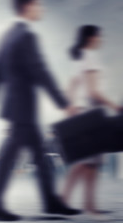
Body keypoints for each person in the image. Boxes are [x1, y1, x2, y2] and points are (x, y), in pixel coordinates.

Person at [0, 0, 81, 221]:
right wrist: (64, 103)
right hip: (23, 109)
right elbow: (40, 71)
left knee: (39, 156)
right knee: (9, 158)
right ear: (28, 7)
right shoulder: (26, 37)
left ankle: (50, 201)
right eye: (39, 5)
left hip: (17, 108)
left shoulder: (7, 35)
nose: (41, 9)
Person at [61, 25, 121, 219]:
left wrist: (70, 108)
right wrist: (115, 106)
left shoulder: (79, 58)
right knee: (89, 162)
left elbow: (71, 86)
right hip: (92, 115)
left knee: (88, 161)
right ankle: (82, 204)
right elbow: (92, 92)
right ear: (91, 37)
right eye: (99, 35)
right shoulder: (91, 57)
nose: (101, 39)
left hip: (82, 113)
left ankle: (77, 202)